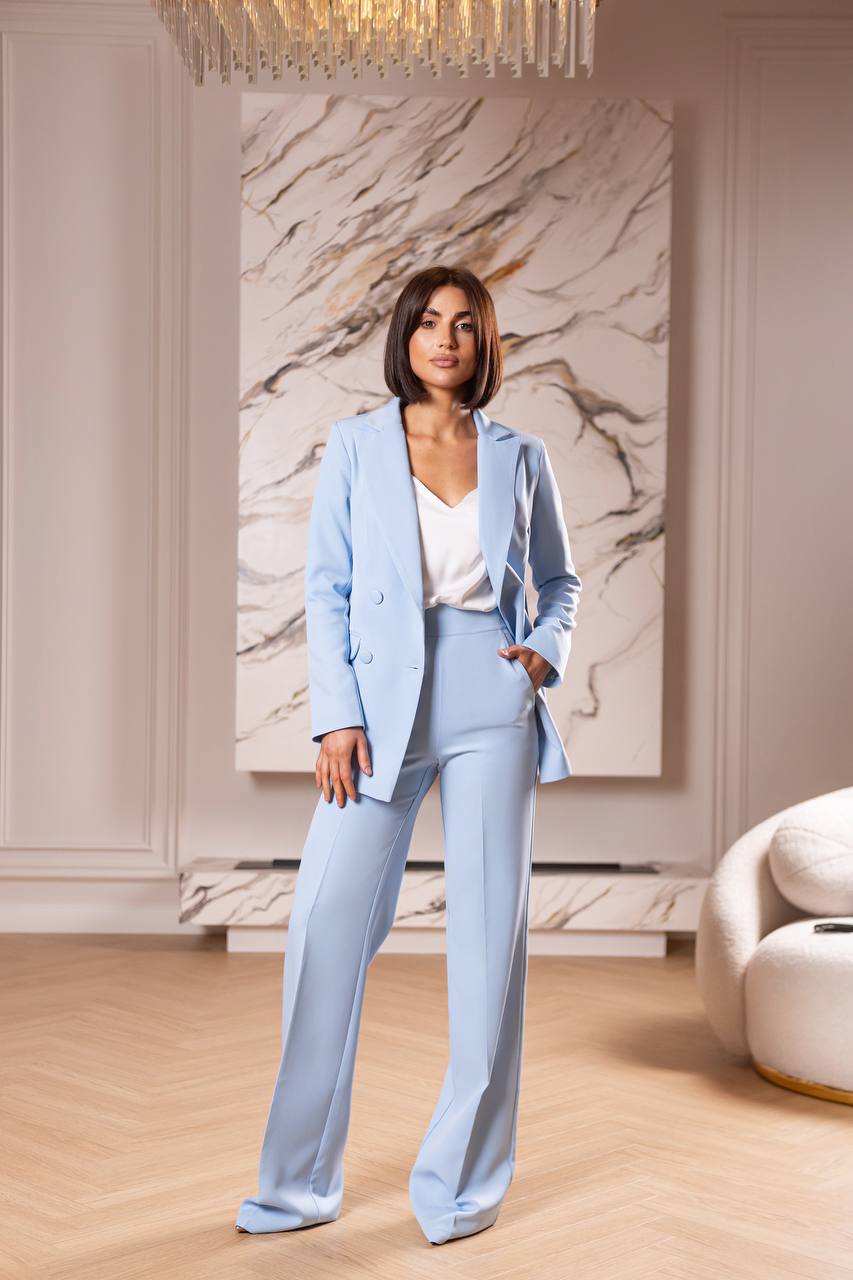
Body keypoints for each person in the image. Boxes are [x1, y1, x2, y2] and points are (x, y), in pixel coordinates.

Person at [235, 264, 582, 1246]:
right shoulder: (354, 444)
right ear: (406, 336)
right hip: (379, 703)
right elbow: (326, 589)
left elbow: (559, 580)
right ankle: (294, 1185)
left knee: (486, 951)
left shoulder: (521, 453)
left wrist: (538, 657)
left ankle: (462, 1188)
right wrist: (333, 714)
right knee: (325, 929)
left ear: (483, 344)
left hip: (490, 694)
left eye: (464, 324)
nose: (444, 338)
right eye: (429, 322)